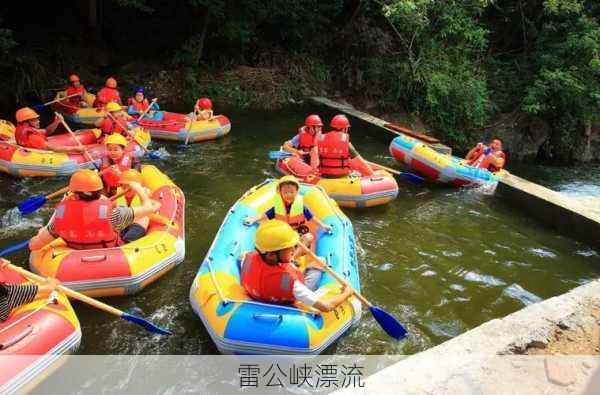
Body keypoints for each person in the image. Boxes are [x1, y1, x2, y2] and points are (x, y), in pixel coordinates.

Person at [29, 169, 160, 251]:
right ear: (100, 190)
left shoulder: (58, 219)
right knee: (144, 217)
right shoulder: (114, 214)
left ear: (73, 193)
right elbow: (149, 208)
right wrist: (139, 189)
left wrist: (41, 233)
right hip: (111, 251)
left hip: (74, 252)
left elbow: (33, 246)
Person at [241, 220, 353, 312]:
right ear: (271, 255)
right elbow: (327, 306)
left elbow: (244, 256)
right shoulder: (294, 285)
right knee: (320, 261)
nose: (293, 249)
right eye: (289, 248)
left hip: (259, 294)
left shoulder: (247, 258)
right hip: (289, 298)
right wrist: (346, 294)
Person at [244, 175, 332, 254]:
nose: (289, 195)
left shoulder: (301, 206)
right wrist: (254, 219)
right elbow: (265, 215)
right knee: (268, 236)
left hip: (296, 235)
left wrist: (323, 226)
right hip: (281, 234)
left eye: (292, 192)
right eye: (286, 192)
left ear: (296, 192)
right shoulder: (277, 206)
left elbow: (312, 218)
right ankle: (260, 253)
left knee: (309, 237)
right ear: (281, 193)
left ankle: (292, 258)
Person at [14, 108, 84, 153]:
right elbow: (54, 148)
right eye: (34, 120)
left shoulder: (23, 128)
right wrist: (76, 148)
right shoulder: (32, 137)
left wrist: (56, 122)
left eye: (37, 119)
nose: (38, 121)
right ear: (26, 122)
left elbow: (47, 131)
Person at [114, 169, 150, 243]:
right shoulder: (118, 193)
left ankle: (128, 240)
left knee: (144, 218)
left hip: (136, 225)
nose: (126, 188)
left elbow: (149, 210)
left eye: (129, 186)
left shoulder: (144, 193)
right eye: (123, 185)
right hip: (122, 224)